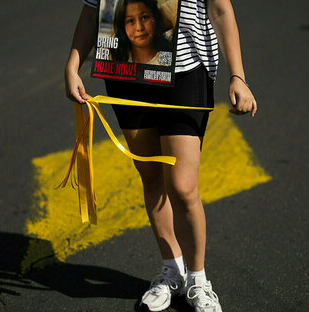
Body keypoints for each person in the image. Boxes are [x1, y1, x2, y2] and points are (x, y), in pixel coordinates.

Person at [65, 0, 257, 311]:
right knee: (150, 175)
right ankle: (172, 270)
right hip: (126, 72)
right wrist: (73, 65)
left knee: (182, 186)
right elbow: (91, 11)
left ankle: (198, 278)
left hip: (186, 71)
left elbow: (221, 9)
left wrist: (238, 75)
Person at [112, 0, 171, 65]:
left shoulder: (166, 57)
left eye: (144, 17)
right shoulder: (117, 56)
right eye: (131, 21)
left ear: (155, 17)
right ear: (122, 26)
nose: (139, 28)